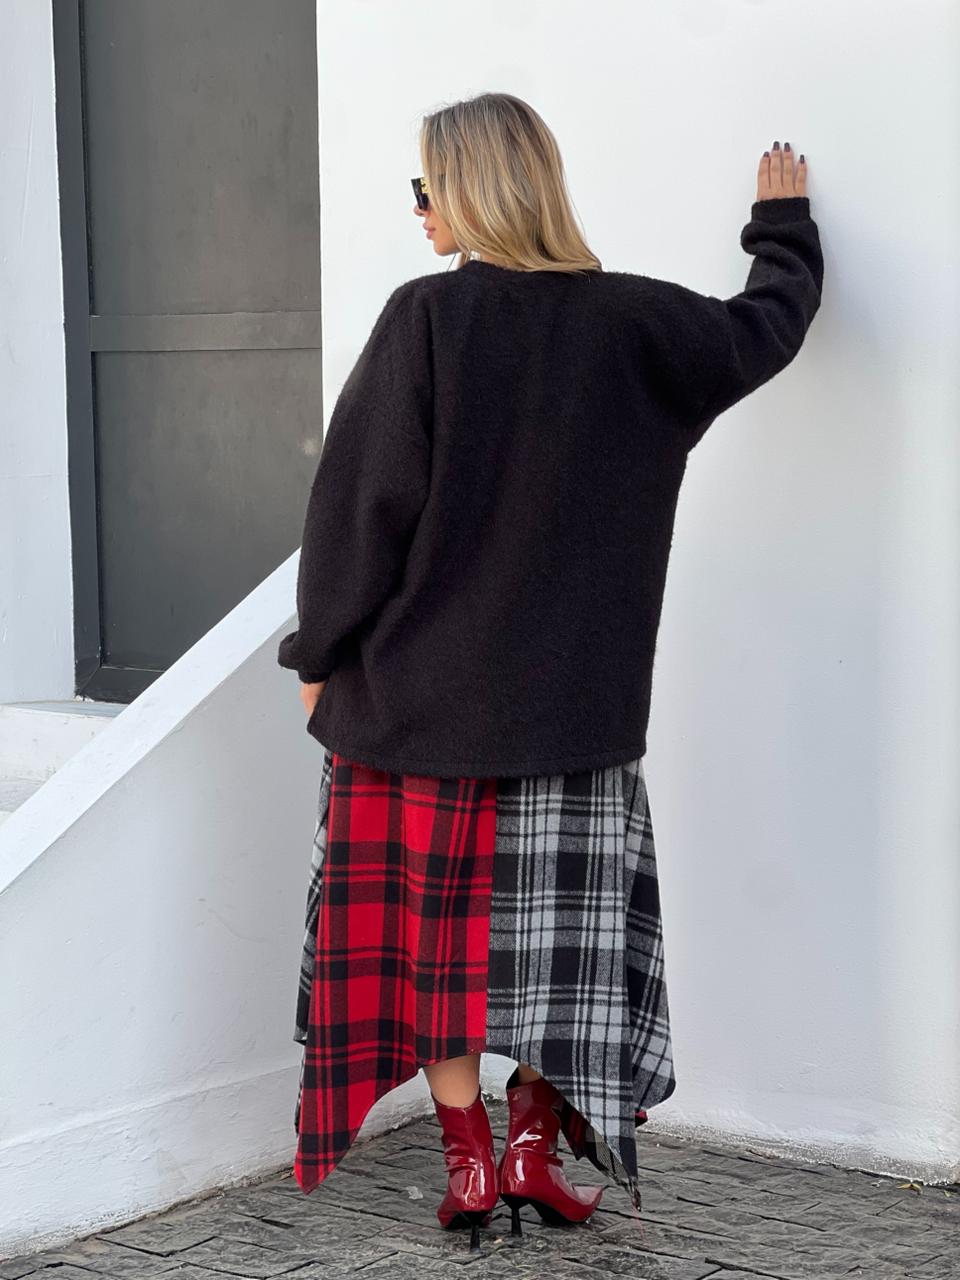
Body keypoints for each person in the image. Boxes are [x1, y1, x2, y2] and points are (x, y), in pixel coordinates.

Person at [278, 92, 823, 1257]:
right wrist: (783, 233)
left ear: (474, 190)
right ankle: (530, 1154)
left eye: (427, 187)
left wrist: (317, 654)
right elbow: (765, 329)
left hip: (413, 722)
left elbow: (356, 512)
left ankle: (474, 1168)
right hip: (573, 725)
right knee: (562, 970)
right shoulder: (638, 326)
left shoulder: (429, 319)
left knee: (434, 962)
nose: (420, 210)